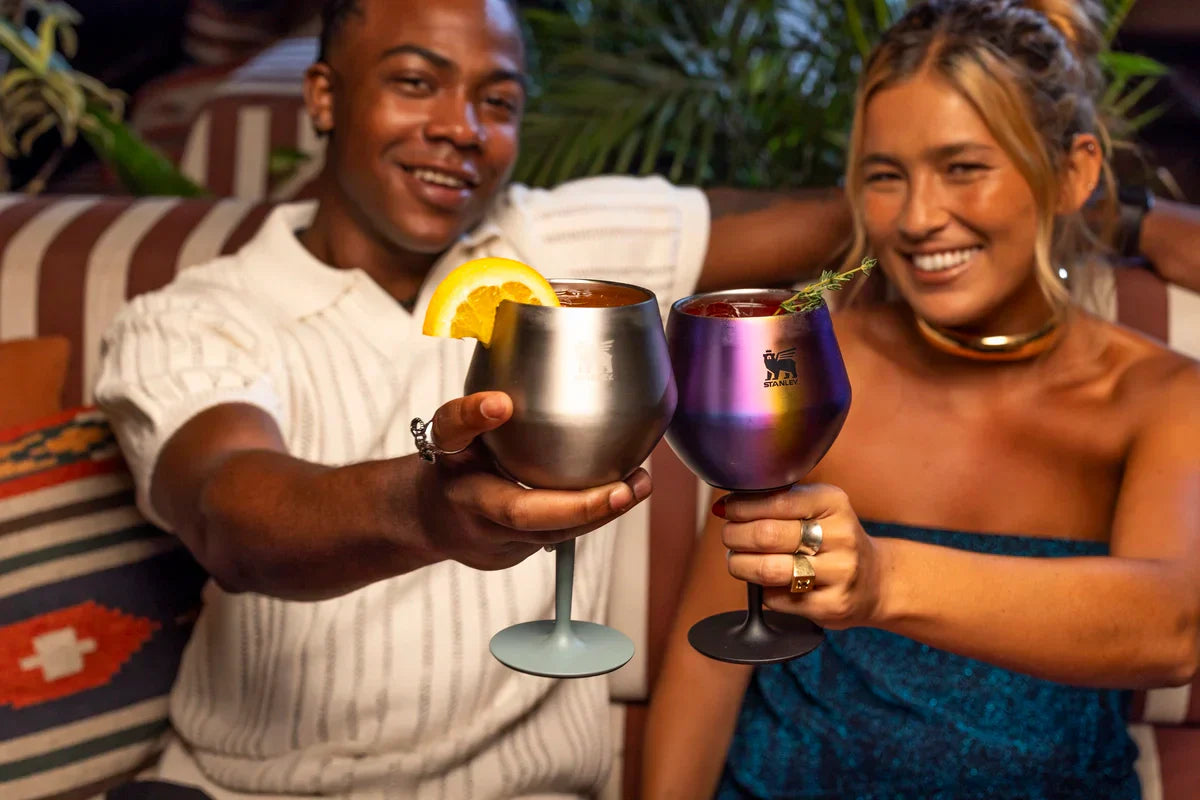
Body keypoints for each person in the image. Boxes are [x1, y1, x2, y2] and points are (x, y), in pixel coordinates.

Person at [92, 0, 853, 798]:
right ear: (323, 96)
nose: (462, 127)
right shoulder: (195, 316)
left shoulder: (560, 248)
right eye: (416, 82)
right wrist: (427, 509)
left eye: (499, 102)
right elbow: (228, 513)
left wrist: (929, 169)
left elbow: (828, 224)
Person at [643, 1, 1200, 798]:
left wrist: (882, 580)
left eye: (964, 167)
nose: (917, 218)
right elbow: (711, 664)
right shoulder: (817, 364)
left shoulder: (1158, 396)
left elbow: (1172, 630)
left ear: (1073, 172)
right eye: (884, 176)